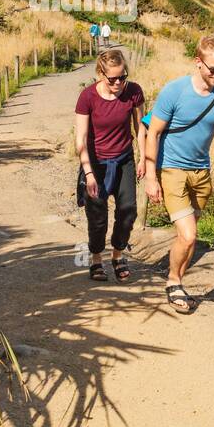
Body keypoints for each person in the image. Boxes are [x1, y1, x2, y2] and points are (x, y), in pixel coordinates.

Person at [144, 34, 214, 314]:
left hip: (202, 173)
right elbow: (154, 133)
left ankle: (178, 282)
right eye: (213, 69)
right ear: (198, 63)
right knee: (188, 234)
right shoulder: (174, 92)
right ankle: (173, 282)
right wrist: (151, 175)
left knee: (190, 237)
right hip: (172, 169)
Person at [75, 50, 145, 283]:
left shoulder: (134, 92)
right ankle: (96, 258)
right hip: (96, 163)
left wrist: (144, 157)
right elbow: (81, 140)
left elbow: (140, 128)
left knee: (128, 211)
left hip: (124, 159)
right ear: (100, 74)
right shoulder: (87, 97)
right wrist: (88, 173)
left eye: (122, 77)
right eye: (112, 79)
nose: (117, 83)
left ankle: (117, 255)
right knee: (98, 217)